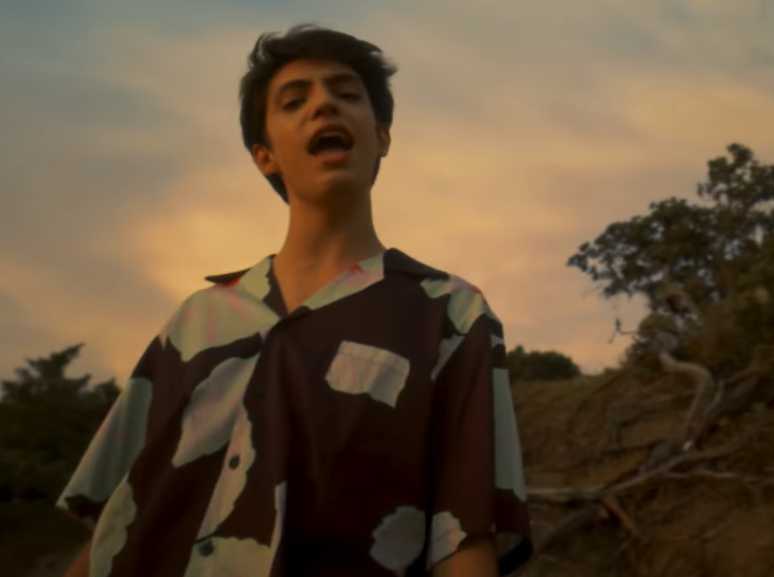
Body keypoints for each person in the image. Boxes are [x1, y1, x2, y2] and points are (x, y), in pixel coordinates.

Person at [59, 23, 532, 577]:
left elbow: (464, 537)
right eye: (294, 100)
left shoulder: (450, 314)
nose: (323, 104)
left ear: (381, 137)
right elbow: (114, 521)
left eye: (346, 93)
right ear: (265, 156)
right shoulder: (197, 319)